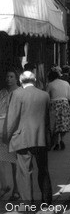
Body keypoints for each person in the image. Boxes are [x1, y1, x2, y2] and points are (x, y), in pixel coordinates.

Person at [6, 71, 52, 205]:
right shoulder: (44, 95)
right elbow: (48, 119)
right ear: (35, 80)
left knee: (24, 172)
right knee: (43, 169)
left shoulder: (17, 94)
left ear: (20, 81)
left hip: (23, 139)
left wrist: (7, 137)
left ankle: (27, 204)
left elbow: (12, 119)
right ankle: (47, 200)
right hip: (40, 138)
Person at [0, 68, 20, 200]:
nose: (8, 79)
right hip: (1, 129)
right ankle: (4, 185)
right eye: (7, 77)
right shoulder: (2, 93)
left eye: (11, 77)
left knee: (14, 162)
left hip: (15, 130)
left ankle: (16, 190)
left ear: (16, 78)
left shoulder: (20, 92)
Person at [46, 68, 70, 150]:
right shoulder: (66, 83)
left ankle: (56, 143)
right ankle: (62, 140)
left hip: (54, 105)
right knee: (64, 123)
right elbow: (69, 96)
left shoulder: (50, 84)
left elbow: (46, 97)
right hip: (64, 103)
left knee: (55, 124)